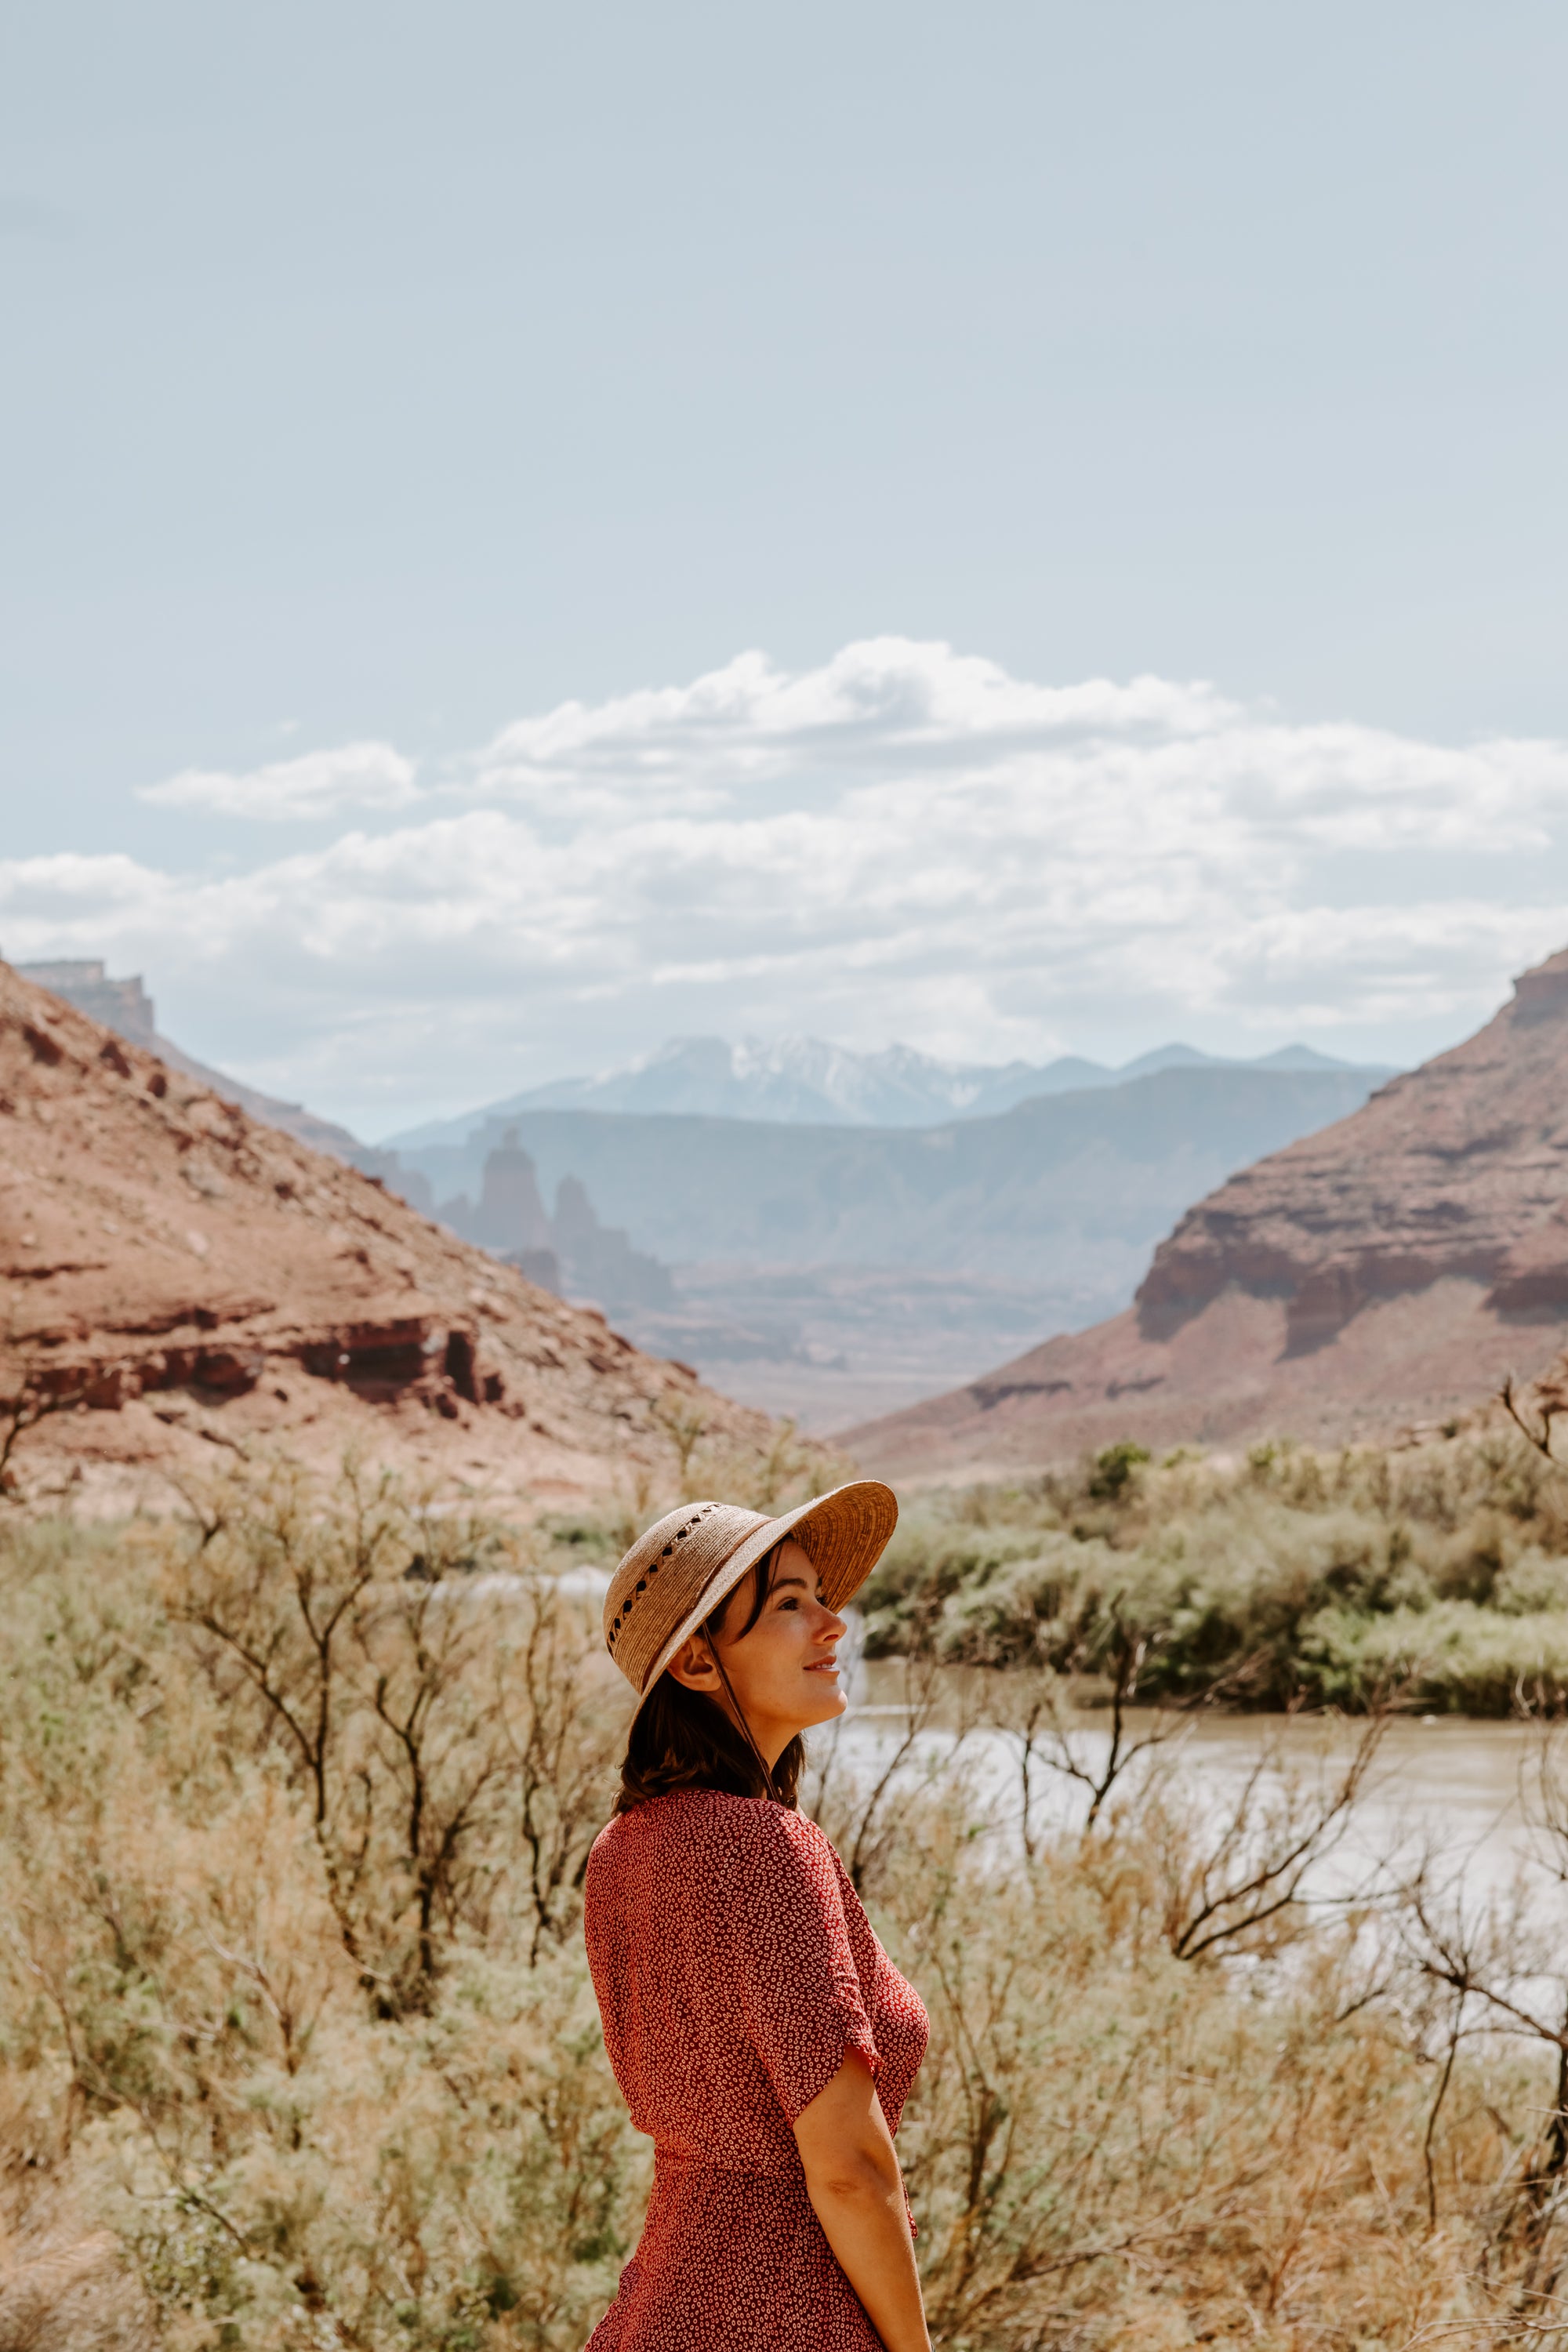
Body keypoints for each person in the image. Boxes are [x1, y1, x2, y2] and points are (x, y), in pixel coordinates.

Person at [583, 1483, 931, 2352]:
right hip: (782, 2313)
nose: (831, 1624)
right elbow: (848, 2171)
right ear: (697, 1663)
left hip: (658, 2308)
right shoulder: (767, 1847)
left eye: (821, 1596)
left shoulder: (620, 1850)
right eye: (787, 1603)